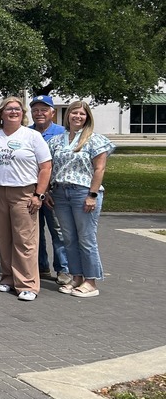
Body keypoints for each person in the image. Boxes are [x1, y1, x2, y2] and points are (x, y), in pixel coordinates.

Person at [0, 96, 51, 302]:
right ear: (1, 113)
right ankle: (8, 277)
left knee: (25, 240)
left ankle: (27, 284)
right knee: (4, 237)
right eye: (9, 109)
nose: (13, 112)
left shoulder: (32, 136)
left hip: (24, 192)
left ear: (22, 113)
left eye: (17, 109)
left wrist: (39, 194)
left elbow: (46, 167)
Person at [48, 101, 114, 298]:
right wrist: (48, 191)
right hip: (60, 192)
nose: (77, 116)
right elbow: (50, 168)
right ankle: (76, 277)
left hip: (83, 193)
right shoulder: (56, 141)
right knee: (68, 238)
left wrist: (92, 195)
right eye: (74, 113)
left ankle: (91, 281)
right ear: (67, 115)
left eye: (82, 114)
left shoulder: (95, 140)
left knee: (86, 238)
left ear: (88, 117)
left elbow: (99, 169)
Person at [30, 95, 70, 284]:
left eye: (44, 110)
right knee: (34, 231)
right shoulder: (26, 133)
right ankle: (40, 266)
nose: (39, 113)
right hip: (32, 191)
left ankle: (63, 269)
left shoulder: (63, 133)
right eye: (36, 110)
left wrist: (49, 190)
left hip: (54, 192)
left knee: (58, 231)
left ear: (52, 112)